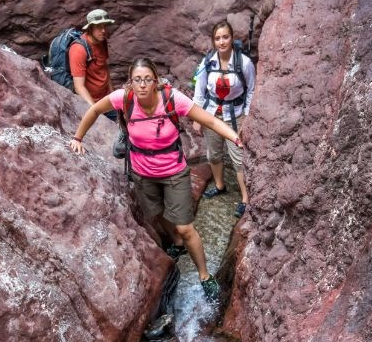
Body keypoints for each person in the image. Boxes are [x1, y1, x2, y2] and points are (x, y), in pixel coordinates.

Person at [69, 57, 244, 302]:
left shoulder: (172, 99)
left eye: (147, 80)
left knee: (185, 227)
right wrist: (78, 138)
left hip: (173, 172)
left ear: (155, 82)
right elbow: (96, 109)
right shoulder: (124, 98)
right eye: (137, 80)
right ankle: (175, 243)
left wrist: (234, 137)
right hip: (143, 174)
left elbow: (210, 120)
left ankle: (204, 275)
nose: (142, 85)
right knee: (157, 212)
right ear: (131, 83)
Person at [192, 20, 255, 218]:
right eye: (217, 38)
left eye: (225, 37)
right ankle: (220, 186)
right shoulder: (208, 62)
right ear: (213, 41)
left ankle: (245, 198)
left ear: (232, 38)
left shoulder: (243, 63)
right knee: (214, 154)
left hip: (234, 116)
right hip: (212, 115)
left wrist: (247, 115)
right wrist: (197, 116)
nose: (221, 42)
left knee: (237, 158)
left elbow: (251, 90)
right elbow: (199, 90)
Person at [69, 9, 117, 121]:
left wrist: (113, 95)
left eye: (105, 26)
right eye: (99, 27)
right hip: (91, 103)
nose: (104, 30)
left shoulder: (102, 42)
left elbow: (104, 69)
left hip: (106, 100)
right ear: (90, 28)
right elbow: (79, 87)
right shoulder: (79, 49)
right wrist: (95, 111)